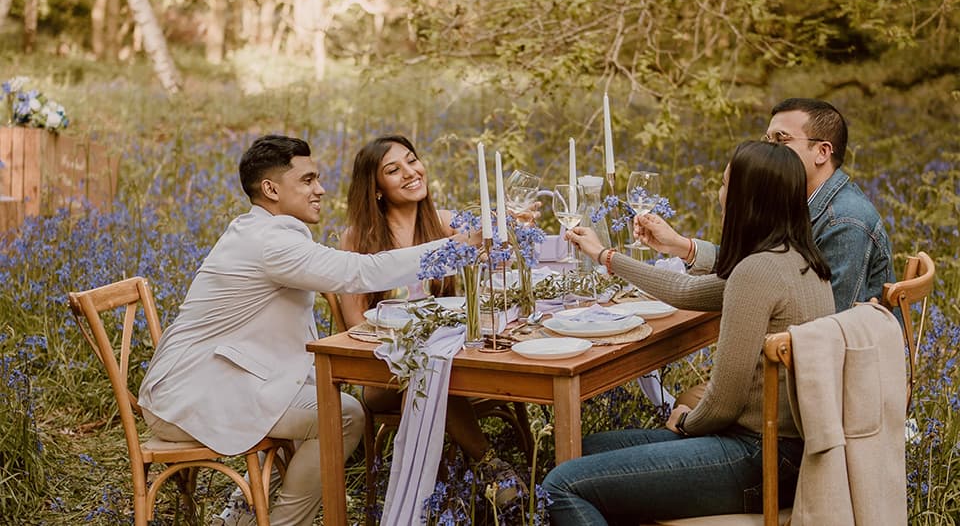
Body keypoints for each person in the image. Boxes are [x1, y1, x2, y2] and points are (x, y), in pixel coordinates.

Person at [137, 135, 478, 526]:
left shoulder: (261, 232)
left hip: (213, 381)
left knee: (314, 399)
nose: (320, 189)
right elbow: (359, 272)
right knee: (343, 414)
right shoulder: (271, 243)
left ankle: (243, 514)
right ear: (271, 189)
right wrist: (455, 250)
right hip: (192, 396)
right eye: (308, 180)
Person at [544, 141, 835, 524]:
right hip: (783, 453)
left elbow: (725, 401)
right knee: (581, 450)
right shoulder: (798, 261)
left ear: (745, 200)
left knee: (560, 485)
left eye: (725, 183)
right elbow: (684, 291)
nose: (719, 193)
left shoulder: (757, 273)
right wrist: (605, 255)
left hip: (758, 459)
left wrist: (684, 421)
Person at [338, 134, 524, 505]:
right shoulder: (358, 239)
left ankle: (448, 495)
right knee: (427, 369)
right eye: (394, 170)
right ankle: (489, 466)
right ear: (376, 189)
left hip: (450, 358)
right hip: (385, 372)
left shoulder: (445, 223)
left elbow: (493, 243)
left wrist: (509, 225)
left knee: (438, 366)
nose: (410, 172)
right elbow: (356, 323)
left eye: (412, 160)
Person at [638, 98, 894, 312]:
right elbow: (759, 267)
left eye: (781, 140)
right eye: (767, 139)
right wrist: (683, 246)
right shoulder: (798, 199)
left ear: (822, 152)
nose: (769, 149)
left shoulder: (846, 222)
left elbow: (831, 322)